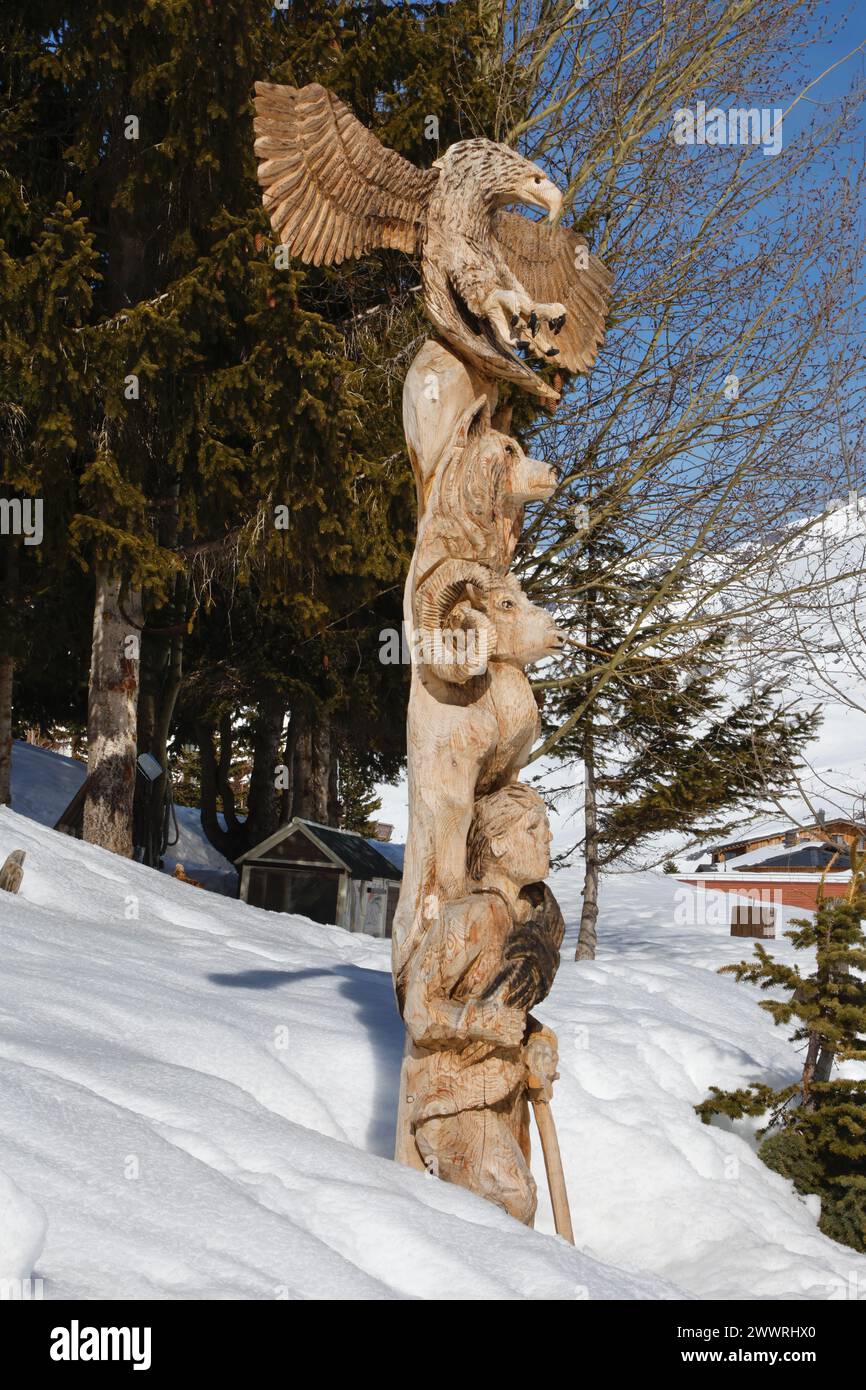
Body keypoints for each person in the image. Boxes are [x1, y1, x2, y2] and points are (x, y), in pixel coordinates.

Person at [402, 782, 563, 1223]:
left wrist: (538, 1043)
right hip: (454, 1101)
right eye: (534, 827)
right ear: (497, 843)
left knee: (517, 1203)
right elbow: (418, 1008)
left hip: (502, 1094)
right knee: (512, 1198)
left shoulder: (525, 921)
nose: (547, 837)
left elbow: (514, 1016)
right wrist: (481, 1020)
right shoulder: (468, 915)